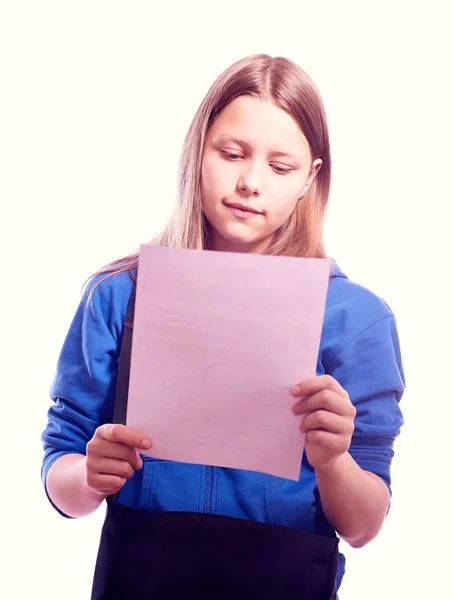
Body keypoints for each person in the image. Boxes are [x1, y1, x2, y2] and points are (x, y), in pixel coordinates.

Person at [41, 53, 405, 599]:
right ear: (198, 151)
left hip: (284, 575)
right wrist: (88, 473)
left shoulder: (357, 319)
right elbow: (61, 471)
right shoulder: (117, 297)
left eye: (280, 167)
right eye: (231, 153)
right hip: (141, 573)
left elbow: (363, 524)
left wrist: (333, 461)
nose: (250, 182)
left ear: (310, 178)